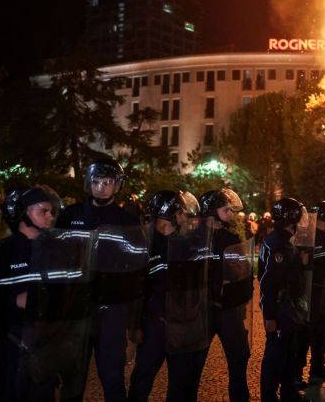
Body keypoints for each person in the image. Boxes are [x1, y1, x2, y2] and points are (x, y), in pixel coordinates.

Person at [56, 159, 139, 402]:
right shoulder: (70, 215)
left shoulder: (127, 221)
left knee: (112, 377)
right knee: (73, 377)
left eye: (107, 182)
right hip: (76, 306)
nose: (101, 187)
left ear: (117, 185)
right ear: (88, 184)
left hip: (112, 307)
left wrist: (133, 322)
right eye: (96, 182)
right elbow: (56, 256)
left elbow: (135, 270)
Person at [128, 190, 197, 402]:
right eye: (181, 212)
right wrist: (135, 325)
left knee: (179, 383)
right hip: (154, 325)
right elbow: (136, 288)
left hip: (181, 325)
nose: (184, 217)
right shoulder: (144, 242)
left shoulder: (186, 243)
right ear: (172, 213)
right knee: (141, 380)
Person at [0, 186, 59, 401]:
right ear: (22, 214)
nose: (50, 217)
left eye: (51, 212)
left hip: (46, 340)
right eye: (43, 211)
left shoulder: (55, 249)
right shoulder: (2, 251)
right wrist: (14, 300)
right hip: (12, 341)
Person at [196, 188, 251, 402]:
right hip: (203, 310)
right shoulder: (194, 239)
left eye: (231, 209)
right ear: (211, 210)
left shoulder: (231, 237)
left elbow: (242, 270)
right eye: (226, 209)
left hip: (228, 309)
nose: (231, 213)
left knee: (239, 358)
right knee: (192, 363)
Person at [258, 198, 310, 402]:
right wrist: (269, 316)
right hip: (280, 308)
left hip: (288, 307)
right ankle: (269, 396)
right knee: (275, 355)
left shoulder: (284, 240)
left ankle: (289, 393)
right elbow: (268, 283)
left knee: (289, 352)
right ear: (291, 218)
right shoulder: (277, 244)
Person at [295, 200, 325, 382]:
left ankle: (317, 366)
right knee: (305, 334)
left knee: (324, 330)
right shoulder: (306, 237)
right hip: (311, 292)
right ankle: (297, 373)